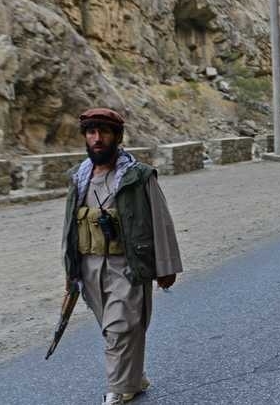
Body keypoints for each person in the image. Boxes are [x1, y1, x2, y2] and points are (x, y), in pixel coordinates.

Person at [61, 108, 183, 404]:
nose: (97, 138)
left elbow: (160, 221)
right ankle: (134, 377)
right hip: (90, 267)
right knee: (113, 328)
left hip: (127, 264)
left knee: (121, 326)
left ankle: (120, 389)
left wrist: (166, 266)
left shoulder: (137, 176)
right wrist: (70, 269)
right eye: (91, 132)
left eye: (104, 132)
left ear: (117, 136)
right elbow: (70, 227)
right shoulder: (79, 178)